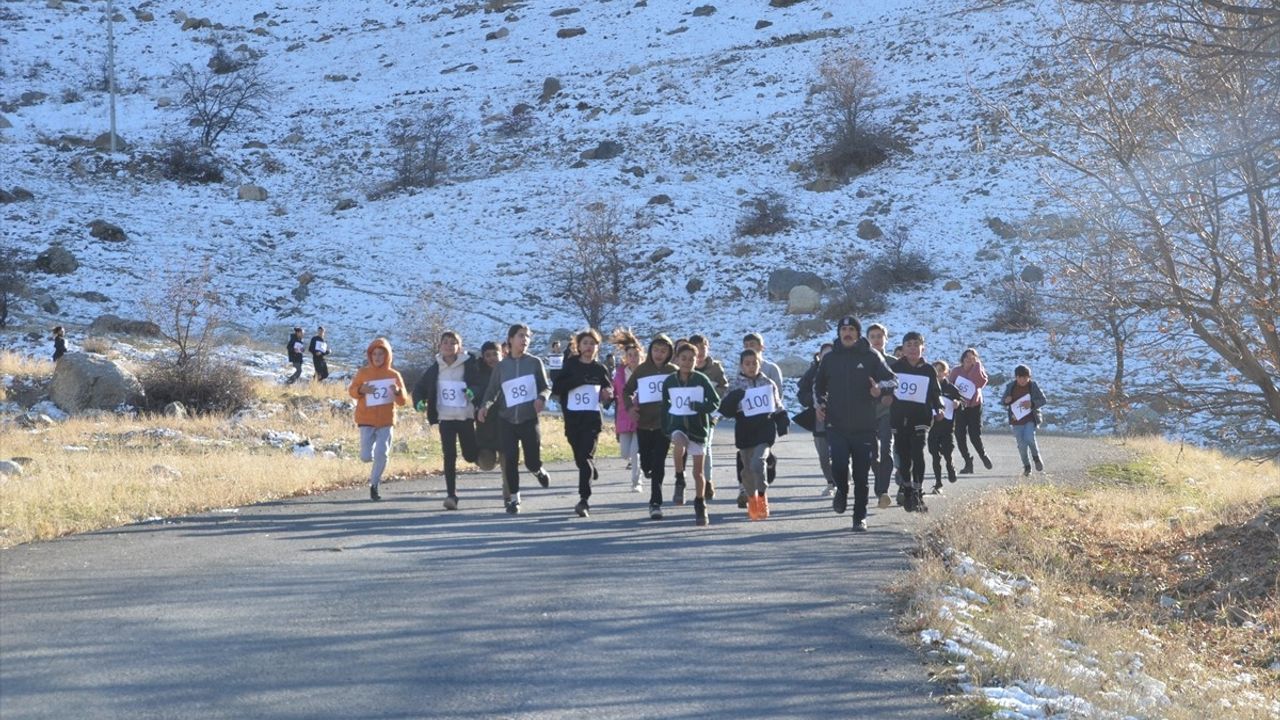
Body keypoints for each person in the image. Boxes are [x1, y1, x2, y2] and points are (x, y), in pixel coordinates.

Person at [814, 316, 896, 532]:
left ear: (858, 333)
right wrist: (819, 405)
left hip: (865, 426)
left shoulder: (870, 355)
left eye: (851, 329)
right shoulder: (830, 358)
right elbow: (818, 386)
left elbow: (892, 380)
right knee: (839, 465)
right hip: (837, 425)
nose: (847, 333)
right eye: (844, 329)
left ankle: (859, 517)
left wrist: (879, 388)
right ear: (839, 333)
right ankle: (841, 490)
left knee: (861, 475)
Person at [479, 324, 552, 514]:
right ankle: (514, 500)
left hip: (528, 419)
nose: (525, 340)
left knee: (532, 461)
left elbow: (546, 386)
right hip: (506, 420)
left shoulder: (535, 362)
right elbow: (492, 391)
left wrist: (542, 398)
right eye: (521, 336)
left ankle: (538, 471)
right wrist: (484, 406)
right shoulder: (502, 367)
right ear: (510, 339)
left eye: (527, 337)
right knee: (510, 459)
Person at [412, 331, 485, 510]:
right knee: (449, 456)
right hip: (445, 417)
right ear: (440, 346)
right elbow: (420, 387)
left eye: (453, 343)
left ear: (459, 347)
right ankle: (451, 495)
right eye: (445, 342)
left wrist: (472, 392)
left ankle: (483, 455)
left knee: (469, 455)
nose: (448, 346)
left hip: (464, 416)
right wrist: (419, 402)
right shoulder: (436, 367)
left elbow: (478, 384)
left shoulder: (468, 365)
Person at [551, 329, 614, 518]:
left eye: (592, 344)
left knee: (585, 457)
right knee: (580, 458)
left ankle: (584, 500)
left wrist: (608, 396)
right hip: (572, 420)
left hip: (592, 420)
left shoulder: (599, 369)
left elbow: (607, 394)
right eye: (585, 343)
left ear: (597, 347)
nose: (589, 347)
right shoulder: (570, 365)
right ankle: (590, 469)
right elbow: (557, 388)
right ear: (578, 346)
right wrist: (578, 381)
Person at [720, 348, 784, 521]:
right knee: (747, 471)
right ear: (741, 365)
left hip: (764, 431)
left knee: (758, 462)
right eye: (747, 364)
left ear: (759, 363)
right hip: (745, 432)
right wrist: (734, 398)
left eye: (754, 363)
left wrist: (782, 419)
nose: (751, 367)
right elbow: (725, 410)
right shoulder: (735, 384)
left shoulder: (768, 383)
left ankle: (762, 497)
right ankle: (751, 499)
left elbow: (777, 405)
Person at [662, 343, 721, 526]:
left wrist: (699, 406)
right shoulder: (670, 381)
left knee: (698, 473)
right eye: (684, 358)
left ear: (697, 360)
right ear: (677, 360)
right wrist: (666, 427)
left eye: (691, 359)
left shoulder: (701, 379)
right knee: (678, 442)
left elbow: (715, 402)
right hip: (678, 426)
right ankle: (679, 477)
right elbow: (665, 406)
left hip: (698, 429)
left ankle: (700, 503)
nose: (687, 362)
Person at [623, 333, 677, 520]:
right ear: (650, 350)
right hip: (644, 423)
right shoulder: (641, 370)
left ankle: (656, 503)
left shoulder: (673, 370)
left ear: (669, 353)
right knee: (647, 462)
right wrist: (630, 408)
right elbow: (627, 391)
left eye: (663, 351)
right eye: (656, 350)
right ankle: (646, 469)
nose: (659, 354)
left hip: (664, 425)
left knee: (659, 463)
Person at [347, 337, 408, 501]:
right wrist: (361, 389)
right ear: (370, 355)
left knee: (382, 453)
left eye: (381, 354)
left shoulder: (394, 375)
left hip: (386, 421)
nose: (378, 357)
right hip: (365, 419)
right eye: (375, 354)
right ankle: (370, 460)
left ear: (387, 355)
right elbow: (352, 391)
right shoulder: (363, 373)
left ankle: (374, 485)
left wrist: (396, 392)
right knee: (366, 456)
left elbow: (403, 401)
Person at [889, 332, 943, 512]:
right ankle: (907, 487)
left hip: (921, 417)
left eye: (916, 344)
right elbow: (887, 390)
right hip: (899, 418)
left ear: (923, 348)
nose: (912, 348)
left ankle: (918, 492)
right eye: (909, 345)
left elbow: (936, 392)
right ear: (902, 349)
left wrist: (939, 408)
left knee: (918, 452)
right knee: (904, 456)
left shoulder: (928, 369)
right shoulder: (895, 368)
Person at [742, 332, 784, 488]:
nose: (749, 348)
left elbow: (778, 392)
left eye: (752, 345)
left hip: (766, 418)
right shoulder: (742, 368)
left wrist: (776, 413)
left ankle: (769, 463)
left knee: (761, 450)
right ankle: (745, 489)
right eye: (746, 346)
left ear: (761, 347)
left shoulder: (771, 368)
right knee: (745, 454)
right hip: (747, 420)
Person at [689, 333, 728, 500]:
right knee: (690, 448)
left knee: (706, 446)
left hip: (709, 413)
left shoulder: (715, 367)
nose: (701, 351)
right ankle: (681, 481)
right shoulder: (685, 366)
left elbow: (724, 386)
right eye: (697, 348)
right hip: (689, 412)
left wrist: (712, 395)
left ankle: (708, 481)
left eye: (704, 347)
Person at [866, 323, 898, 508]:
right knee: (872, 455)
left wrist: (889, 396)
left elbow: (900, 385)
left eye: (880, 336)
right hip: (867, 414)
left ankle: (882, 491)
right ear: (868, 340)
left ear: (886, 338)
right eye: (873, 336)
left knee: (886, 448)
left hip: (888, 412)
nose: (877, 339)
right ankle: (880, 483)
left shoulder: (894, 362)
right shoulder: (864, 361)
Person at [798, 342, 836, 495]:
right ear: (819, 356)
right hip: (819, 417)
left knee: (841, 452)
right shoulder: (812, 372)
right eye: (824, 355)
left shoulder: (842, 369)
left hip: (840, 417)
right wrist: (813, 402)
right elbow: (802, 394)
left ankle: (842, 480)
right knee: (823, 456)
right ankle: (830, 481)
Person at [611, 328, 644, 493]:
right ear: (626, 357)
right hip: (624, 416)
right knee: (625, 453)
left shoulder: (645, 372)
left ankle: (636, 482)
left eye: (636, 355)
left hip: (641, 416)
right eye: (630, 355)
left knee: (635, 451)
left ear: (641, 356)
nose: (633, 358)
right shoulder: (619, 374)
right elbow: (613, 391)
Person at [950, 348, 993, 474]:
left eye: (973, 358)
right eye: (967, 357)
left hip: (974, 405)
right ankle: (968, 462)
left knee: (974, 435)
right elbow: (950, 386)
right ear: (962, 359)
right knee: (959, 435)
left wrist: (977, 365)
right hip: (961, 406)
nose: (969, 360)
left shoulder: (978, 370)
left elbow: (981, 382)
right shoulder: (956, 371)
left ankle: (983, 455)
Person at [1001, 365, 1048, 476]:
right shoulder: (1011, 387)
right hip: (1016, 420)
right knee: (1021, 445)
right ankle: (1027, 466)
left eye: (1025, 378)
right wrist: (1006, 401)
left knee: (1029, 437)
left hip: (1030, 418)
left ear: (1029, 377)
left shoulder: (1033, 386)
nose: (1023, 380)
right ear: (1016, 377)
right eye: (1020, 377)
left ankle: (1036, 458)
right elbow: (1003, 400)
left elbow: (1043, 400)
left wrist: (1032, 404)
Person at [929, 360, 964, 493]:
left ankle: (950, 467)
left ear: (946, 373)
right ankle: (938, 483)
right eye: (935, 371)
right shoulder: (929, 387)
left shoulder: (951, 388)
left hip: (947, 427)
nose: (937, 374)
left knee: (947, 453)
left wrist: (957, 403)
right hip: (932, 427)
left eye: (940, 371)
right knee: (934, 455)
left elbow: (962, 402)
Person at [474, 340, 504, 477]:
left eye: (495, 354)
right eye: (488, 355)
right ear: (483, 357)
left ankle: (510, 496)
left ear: (502, 354)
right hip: (485, 426)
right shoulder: (478, 373)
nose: (492, 358)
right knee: (486, 464)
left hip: (506, 424)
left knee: (508, 465)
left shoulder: (509, 370)